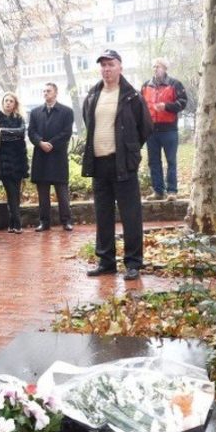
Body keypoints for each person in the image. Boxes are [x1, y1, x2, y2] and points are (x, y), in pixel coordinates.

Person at [81, 50, 153, 281]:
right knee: (102, 215)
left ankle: (133, 263)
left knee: (131, 215)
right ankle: (106, 261)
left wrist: (129, 148)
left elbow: (145, 128)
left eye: (110, 64)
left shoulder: (132, 96)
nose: (106, 69)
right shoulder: (93, 95)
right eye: (103, 65)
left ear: (120, 67)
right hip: (99, 164)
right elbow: (88, 122)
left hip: (123, 164)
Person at [28, 82, 74, 232]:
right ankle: (44, 222)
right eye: (44, 91)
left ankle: (66, 221)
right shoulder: (35, 112)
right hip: (41, 157)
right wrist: (40, 143)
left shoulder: (66, 111)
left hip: (58, 156)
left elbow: (66, 132)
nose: (45, 93)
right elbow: (31, 132)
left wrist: (51, 144)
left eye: (48, 91)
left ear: (56, 92)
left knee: (62, 192)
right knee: (42, 193)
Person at [140, 57, 187, 201]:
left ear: (165, 68)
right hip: (151, 131)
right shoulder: (145, 86)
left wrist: (166, 106)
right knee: (153, 162)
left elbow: (183, 102)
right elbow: (140, 105)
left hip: (169, 130)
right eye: (154, 66)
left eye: (158, 66)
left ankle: (172, 191)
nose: (156, 69)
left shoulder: (175, 84)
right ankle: (158, 191)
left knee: (171, 161)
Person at [0, 92, 29, 234]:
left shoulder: (19, 118)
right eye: (6, 100)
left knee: (15, 192)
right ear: (2, 102)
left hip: (19, 160)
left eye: (11, 101)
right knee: (11, 191)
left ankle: (12, 223)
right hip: (5, 161)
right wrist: (10, 135)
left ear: (15, 104)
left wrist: (4, 132)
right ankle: (17, 223)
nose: (8, 103)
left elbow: (21, 132)